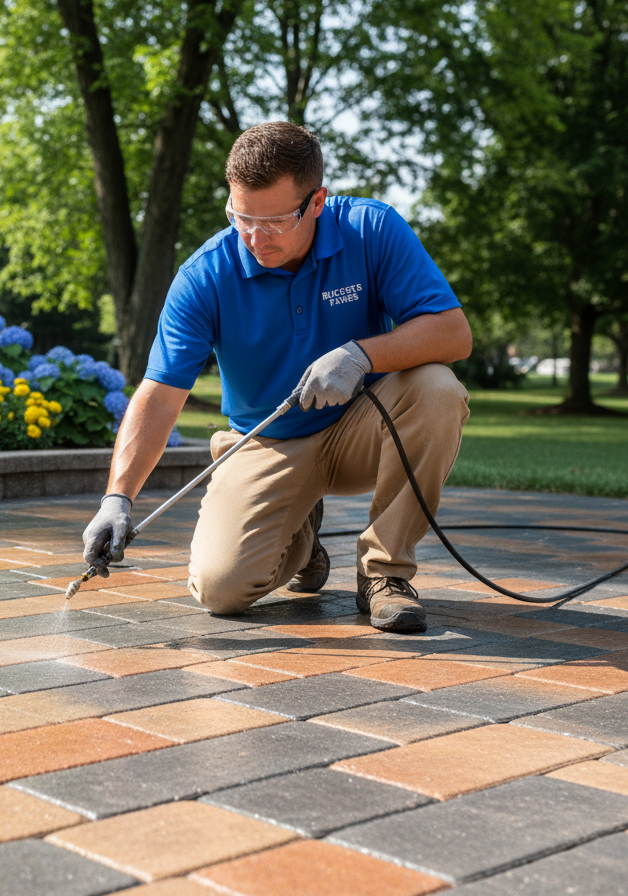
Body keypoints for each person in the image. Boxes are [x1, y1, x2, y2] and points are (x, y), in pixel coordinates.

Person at [81, 121, 472, 634]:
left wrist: (360, 354)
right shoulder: (204, 276)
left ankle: (385, 573)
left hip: (365, 428)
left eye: (274, 222)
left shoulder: (371, 229)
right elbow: (159, 394)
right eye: (240, 216)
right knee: (221, 589)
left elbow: (453, 334)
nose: (253, 237)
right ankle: (303, 537)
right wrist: (118, 497)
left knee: (438, 389)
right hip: (266, 442)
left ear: (317, 203)